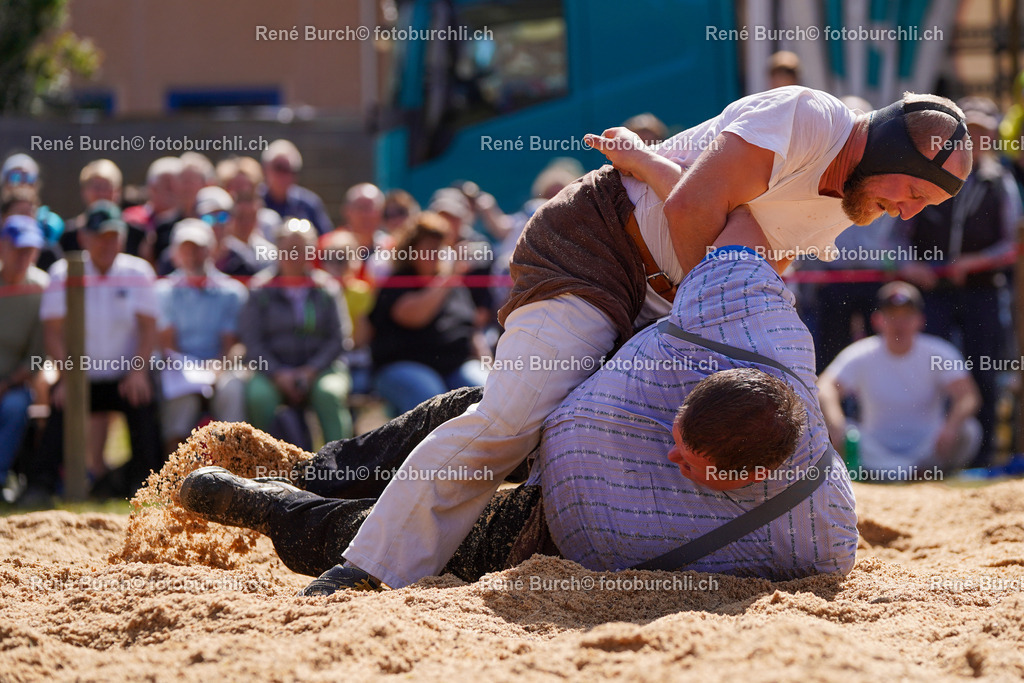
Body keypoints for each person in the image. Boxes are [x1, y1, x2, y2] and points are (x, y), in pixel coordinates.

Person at [340, 86, 971, 591]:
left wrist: (655, 171)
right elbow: (692, 210)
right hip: (599, 248)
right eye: (913, 191)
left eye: (927, 204)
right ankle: (372, 567)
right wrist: (708, 306)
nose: (911, 212)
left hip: (675, 295)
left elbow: (738, 251)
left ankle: (352, 489)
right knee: (513, 415)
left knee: (674, 429)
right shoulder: (809, 117)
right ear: (886, 153)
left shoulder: (840, 208)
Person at [178, 208, 857, 591]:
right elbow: (741, 215)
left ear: (744, 476)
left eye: (689, 457)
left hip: (565, 522)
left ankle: (276, 505)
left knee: (413, 542)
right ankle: (310, 470)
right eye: (678, 428)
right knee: (473, 414)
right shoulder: (755, 331)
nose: (670, 448)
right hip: (569, 418)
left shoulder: (814, 534)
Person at [893, 97, 1019, 466]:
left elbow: (1014, 242)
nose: (977, 140)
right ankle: (929, 454)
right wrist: (910, 265)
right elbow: (894, 238)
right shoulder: (926, 175)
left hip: (983, 292)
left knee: (984, 369)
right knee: (932, 370)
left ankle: (983, 457)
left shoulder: (1001, 182)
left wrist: (975, 262)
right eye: (971, 132)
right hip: (934, 293)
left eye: (985, 133)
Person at [25, 201, 163, 501]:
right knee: (60, 407)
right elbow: (53, 333)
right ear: (84, 237)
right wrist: (68, 377)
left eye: (114, 236)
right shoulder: (63, 273)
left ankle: (145, 485)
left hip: (125, 378)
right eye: (101, 236)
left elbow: (148, 329)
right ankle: (41, 485)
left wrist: (139, 371)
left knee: (144, 406)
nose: (108, 243)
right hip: (80, 377)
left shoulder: (138, 272)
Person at [818, 282, 982, 480]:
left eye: (907, 316)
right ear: (877, 320)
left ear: (920, 320)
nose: (899, 323)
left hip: (928, 448)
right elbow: (824, 387)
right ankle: (908, 473)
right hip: (875, 448)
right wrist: (837, 424)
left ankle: (897, 473)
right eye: (892, 316)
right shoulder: (861, 352)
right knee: (841, 433)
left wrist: (951, 427)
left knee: (969, 431)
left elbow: (968, 396)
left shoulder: (939, 352)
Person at [239, 218, 353, 445]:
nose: (295, 255)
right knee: (258, 398)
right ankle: (264, 467)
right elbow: (252, 342)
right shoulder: (259, 290)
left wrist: (310, 371)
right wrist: (278, 374)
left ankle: (342, 469)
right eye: (289, 249)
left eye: (302, 249)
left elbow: (339, 338)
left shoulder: (327, 289)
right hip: (271, 371)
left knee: (329, 394)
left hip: (321, 369)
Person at [369, 212, 489, 413]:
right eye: (428, 248)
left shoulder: (453, 286)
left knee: (487, 390)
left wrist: (488, 364)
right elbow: (413, 316)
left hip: (455, 365)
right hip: (402, 366)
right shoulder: (397, 282)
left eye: (438, 247)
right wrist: (447, 280)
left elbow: (471, 329)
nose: (435, 253)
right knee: (431, 399)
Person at [156, 219, 248, 454]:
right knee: (181, 397)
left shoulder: (232, 291)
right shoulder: (164, 291)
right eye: (186, 249)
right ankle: (173, 471)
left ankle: (234, 463)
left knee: (232, 389)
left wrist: (217, 368)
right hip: (178, 368)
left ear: (211, 251)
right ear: (176, 254)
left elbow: (231, 344)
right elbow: (168, 345)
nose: (192, 255)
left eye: (198, 248)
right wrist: (193, 372)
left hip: (221, 366)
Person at [0, 215, 48, 487]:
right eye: (17, 248)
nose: (23, 256)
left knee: (16, 407)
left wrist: (7, 383)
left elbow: (37, 356)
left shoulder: (41, 289)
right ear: (2, 247)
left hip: (13, 385)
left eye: (29, 250)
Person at [260, 140, 333, 235]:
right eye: (279, 168)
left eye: (291, 170)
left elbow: (326, 239)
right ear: (265, 169)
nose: (284, 175)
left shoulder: (309, 204)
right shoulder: (255, 202)